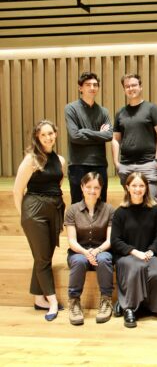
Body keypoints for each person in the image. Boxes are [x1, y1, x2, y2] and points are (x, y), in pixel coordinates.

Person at [13, 120, 66, 321]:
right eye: (43, 135)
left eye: (50, 133)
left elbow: (57, 183)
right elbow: (17, 190)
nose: (47, 137)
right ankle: (51, 301)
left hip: (54, 209)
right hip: (34, 210)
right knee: (43, 258)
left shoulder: (60, 160)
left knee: (44, 255)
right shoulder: (31, 160)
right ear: (37, 137)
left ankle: (38, 299)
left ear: (56, 134)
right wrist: (24, 216)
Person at [111, 172, 157, 328]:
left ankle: (144, 307)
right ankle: (129, 309)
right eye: (134, 185)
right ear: (127, 187)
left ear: (146, 187)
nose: (138, 189)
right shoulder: (120, 212)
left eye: (141, 185)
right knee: (137, 267)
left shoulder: (154, 210)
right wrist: (134, 252)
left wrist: (151, 251)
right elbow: (115, 241)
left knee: (156, 273)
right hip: (126, 255)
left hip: (148, 254)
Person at [64, 172, 115, 325]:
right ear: (82, 187)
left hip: (102, 250)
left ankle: (106, 301)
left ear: (101, 190)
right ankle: (73, 302)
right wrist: (86, 252)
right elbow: (71, 240)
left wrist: (97, 250)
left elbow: (110, 240)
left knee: (105, 258)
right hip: (79, 251)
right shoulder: (72, 210)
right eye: (88, 187)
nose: (92, 191)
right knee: (79, 261)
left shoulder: (109, 210)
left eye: (96, 187)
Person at [112, 73, 157, 201]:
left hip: (148, 164)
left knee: (151, 203)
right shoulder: (120, 113)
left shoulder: (152, 109)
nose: (131, 88)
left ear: (140, 87)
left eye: (134, 85)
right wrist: (116, 162)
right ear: (124, 90)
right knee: (130, 205)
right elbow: (115, 139)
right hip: (126, 166)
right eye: (127, 86)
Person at [65, 71, 112, 204]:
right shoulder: (71, 108)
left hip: (99, 164)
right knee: (77, 203)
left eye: (95, 85)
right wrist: (99, 134)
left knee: (100, 203)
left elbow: (108, 135)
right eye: (88, 85)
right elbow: (74, 136)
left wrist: (85, 131)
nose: (92, 87)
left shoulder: (103, 111)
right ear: (80, 88)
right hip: (78, 164)